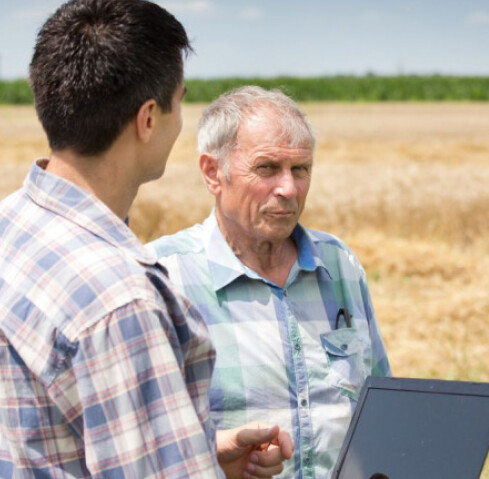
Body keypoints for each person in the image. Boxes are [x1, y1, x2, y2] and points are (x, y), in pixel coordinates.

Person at [0, 0, 291, 478]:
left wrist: (198, 455)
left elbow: (53, 435)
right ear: (148, 119)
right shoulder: (120, 302)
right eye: (179, 104)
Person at [148, 86, 392, 479]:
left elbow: (382, 411)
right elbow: (135, 443)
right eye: (267, 168)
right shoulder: (163, 277)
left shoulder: (339, 266)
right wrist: (215, 455)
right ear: (213, 173)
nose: (289, 189)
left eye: (301, 169)